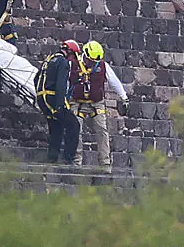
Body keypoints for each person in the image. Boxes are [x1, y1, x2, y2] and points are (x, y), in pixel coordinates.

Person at [72, 40, 129, 173]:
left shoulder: (102, 66)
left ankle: (105, 164)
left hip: (96, 103)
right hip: (76, 101)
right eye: (91, 61)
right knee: (75, 130)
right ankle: (76, 162)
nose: (93, 64)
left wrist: (124, 98)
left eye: (95, 61)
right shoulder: (73, 64)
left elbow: (114, 81)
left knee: (102, 130)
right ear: (85, 55)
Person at [35, 39, 82, 164]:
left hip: (42, 99)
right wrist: (60, 105)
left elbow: (36, 78)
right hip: (53, 99)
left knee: (56, 128)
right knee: (73, 125)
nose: (73, 60)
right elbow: (61, 84)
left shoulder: (49, 59)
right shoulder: (63, 62)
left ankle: (52, 158)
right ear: (70, 52)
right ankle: (69, 158)